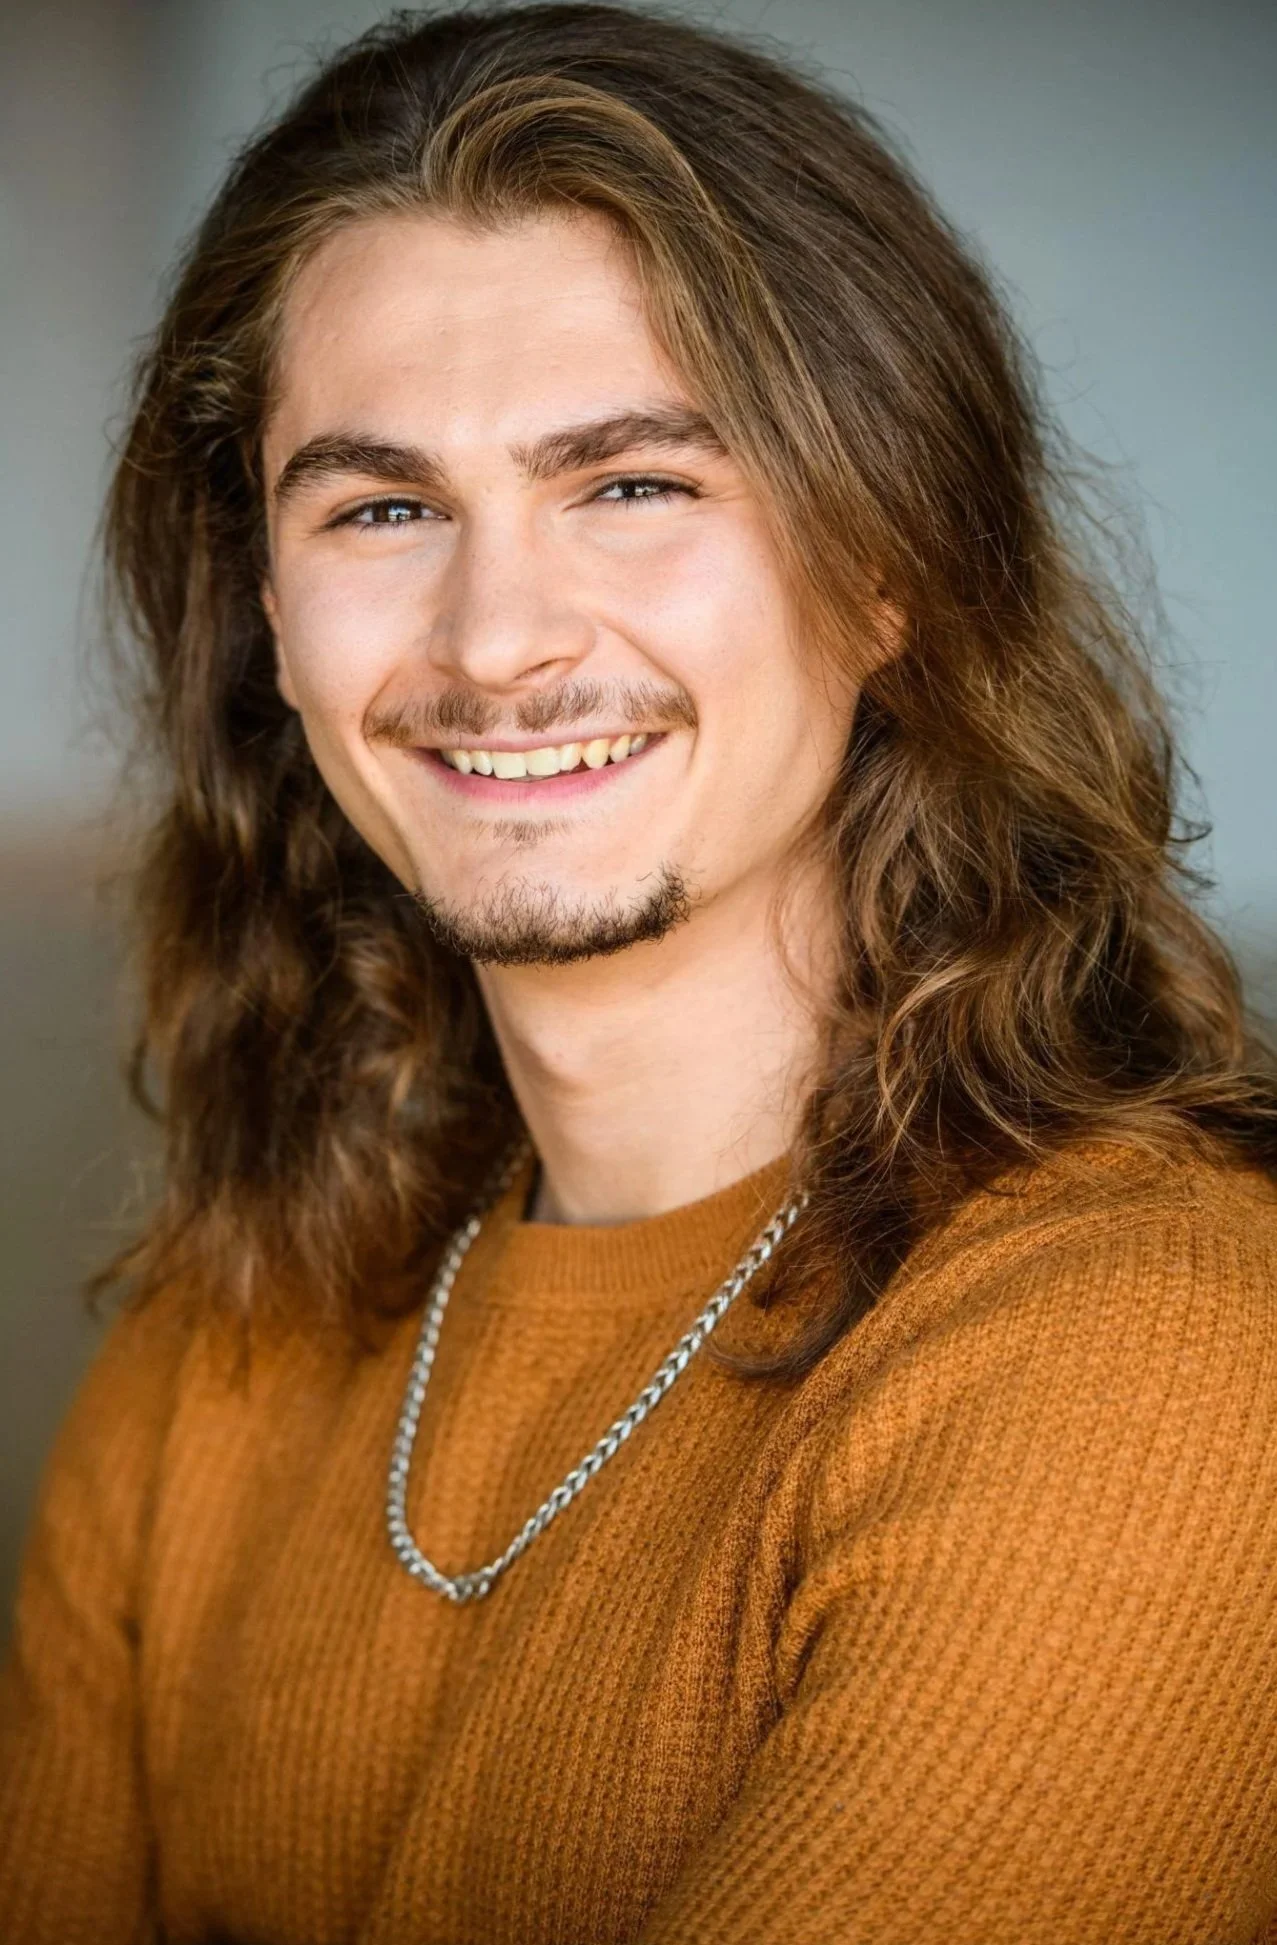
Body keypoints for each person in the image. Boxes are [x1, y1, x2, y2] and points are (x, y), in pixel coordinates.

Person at [3, 3, 1276, 1940]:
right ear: (266, 610)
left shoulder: (1156, 1354)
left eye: (632, 485)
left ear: (885, 559)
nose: (496, 639)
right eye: (383, 508)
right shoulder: (227, 1343)